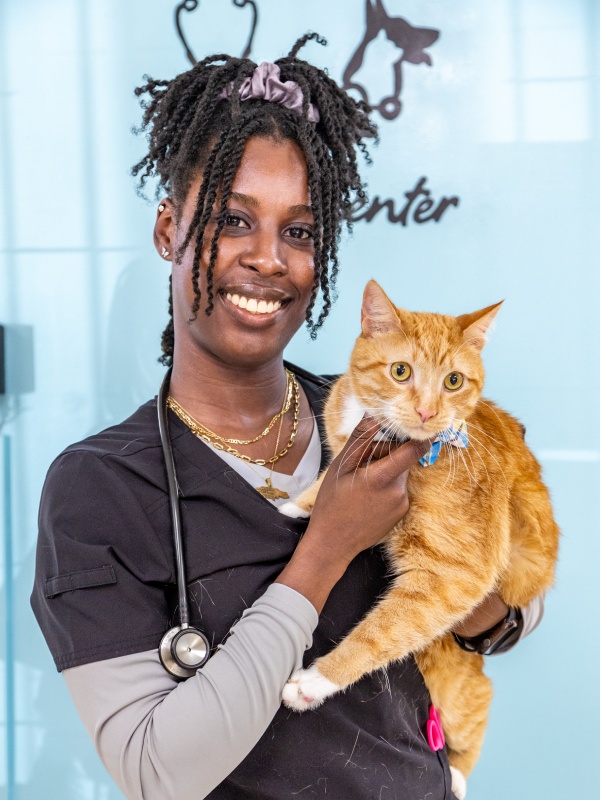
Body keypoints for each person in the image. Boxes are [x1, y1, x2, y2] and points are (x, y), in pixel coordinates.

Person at [31, 35, 543, 800]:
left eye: (299, 232)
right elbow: (157, 772)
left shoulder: (383, 411)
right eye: (234, 220)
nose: (270, 259)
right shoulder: (97, 490)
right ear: (169, 228)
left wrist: (485, 576)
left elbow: (512, 609)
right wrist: (330, 543)